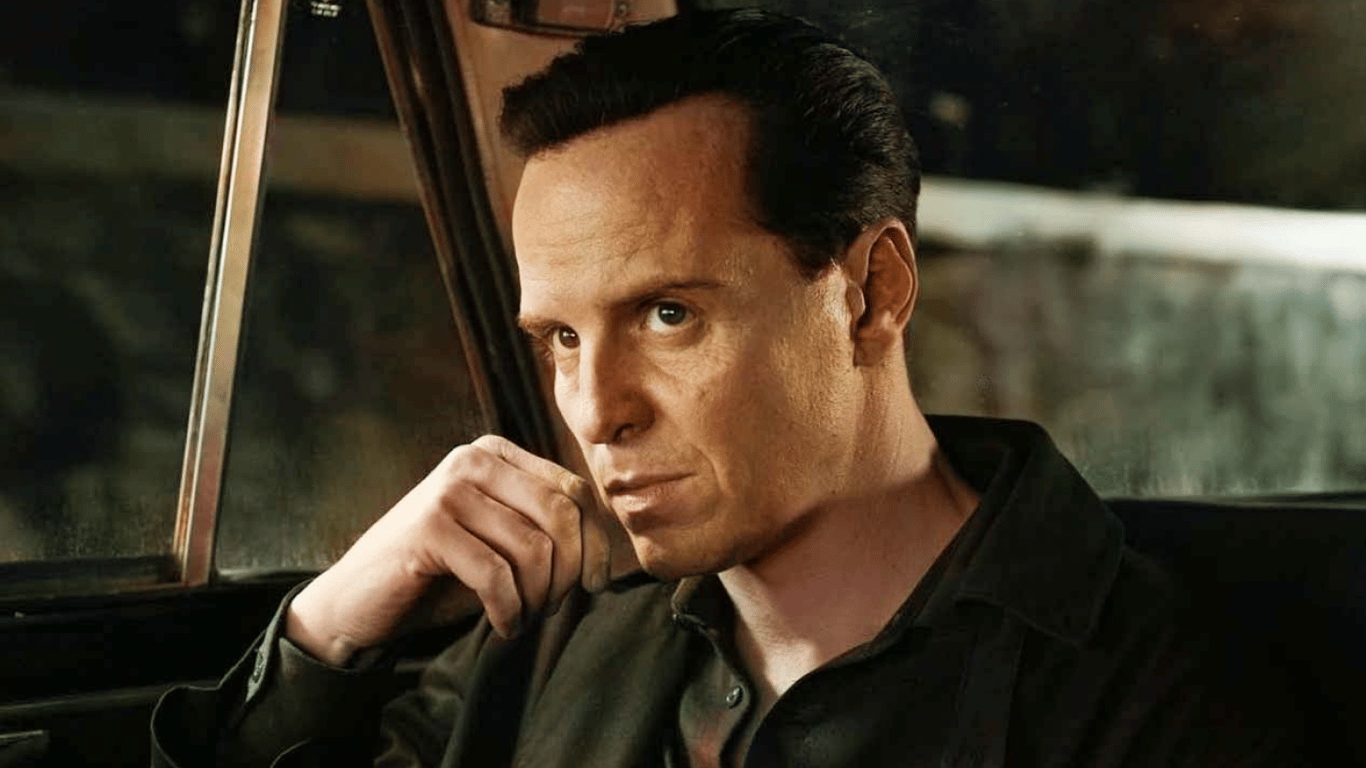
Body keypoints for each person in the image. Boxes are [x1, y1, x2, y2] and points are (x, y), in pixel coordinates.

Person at [151, 9, 1305, 767]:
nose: (594, 410)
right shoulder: (549, 644)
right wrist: (326, 629)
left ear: (870, 292)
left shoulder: (1144, 700)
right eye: (560, 338)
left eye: (668, 315)